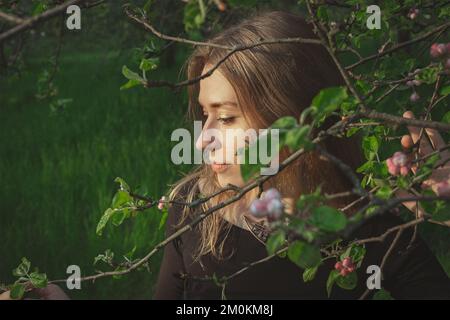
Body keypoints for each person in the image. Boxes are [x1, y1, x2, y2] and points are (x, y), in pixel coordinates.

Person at [153, 10, 450, 299]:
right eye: (205, 114)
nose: (202, 141)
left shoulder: (370, 231)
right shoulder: (193, 207)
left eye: (227, 118)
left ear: (292, 119)